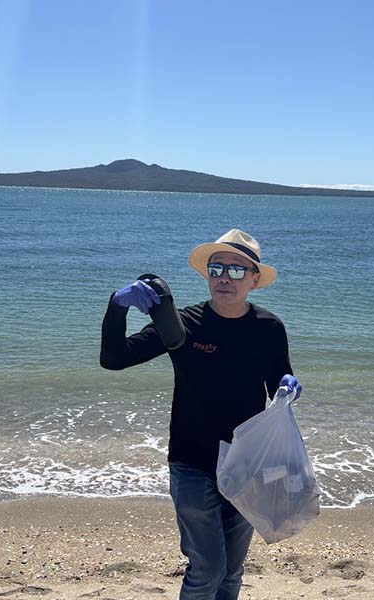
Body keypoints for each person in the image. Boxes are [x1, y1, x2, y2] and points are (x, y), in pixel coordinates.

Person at [100, 228, 301, 600]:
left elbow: (278, 383)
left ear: (255, 280)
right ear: (206, 274)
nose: (225, 277)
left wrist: (289, 386)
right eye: (217, 268)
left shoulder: (269, 328)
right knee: (207, 568)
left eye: (237, 270)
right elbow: (113, 359)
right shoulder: (182, 325)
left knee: (231, 572)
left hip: (245, 465)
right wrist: (117, 305)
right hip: (192, 462)